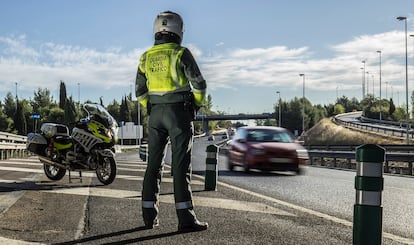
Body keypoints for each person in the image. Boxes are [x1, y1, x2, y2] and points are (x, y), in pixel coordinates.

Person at [135, 10, 208, 232]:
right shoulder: (181, 53)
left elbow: (139, 91)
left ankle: (149, 217)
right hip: (179, 113)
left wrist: (150, 107)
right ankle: (185, 219)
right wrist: (195, 104)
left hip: (155, 114)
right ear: (178, 31)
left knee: (153, 166)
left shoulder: (146, 57)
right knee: (180, 167)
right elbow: (200, 85)